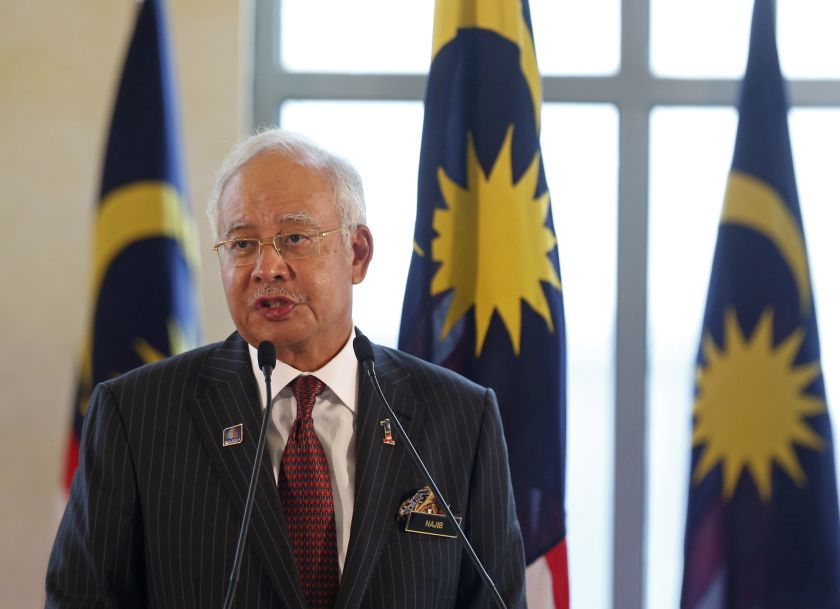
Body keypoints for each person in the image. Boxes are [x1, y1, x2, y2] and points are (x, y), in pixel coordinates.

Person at [45, 129, 527, 609]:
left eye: (294, 237)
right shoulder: (137, 415)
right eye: (241, 244)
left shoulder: (461, 416)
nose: (266, 267)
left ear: (356, 254)